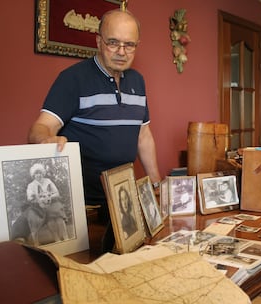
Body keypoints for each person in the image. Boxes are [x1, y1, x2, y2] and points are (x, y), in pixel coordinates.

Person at [28, 9, 161, 224]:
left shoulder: (138, 81)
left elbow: (143, 134)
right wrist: (46, 139)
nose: (121, 51)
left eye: (129, 45)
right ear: (98, 41)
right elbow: (40, 128)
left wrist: (156, 183)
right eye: (113, 42)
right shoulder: (73, 79)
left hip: (122, 199)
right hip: (83, 206)